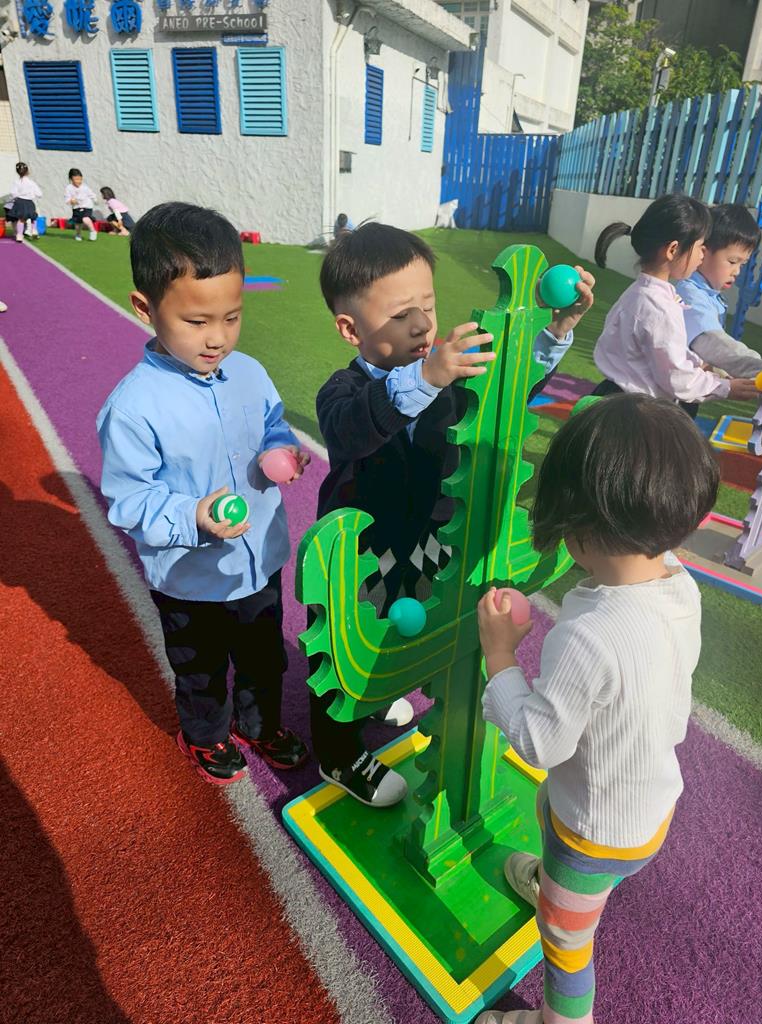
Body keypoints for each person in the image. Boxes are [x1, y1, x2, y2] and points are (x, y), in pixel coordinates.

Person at [312, 223, 594, 808]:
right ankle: (337, 751)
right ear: (350, 329)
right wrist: (425, 378)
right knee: (345, 644)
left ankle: (378, 690)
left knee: (410, 622)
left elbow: (505, 390)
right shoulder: (342, 392)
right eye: (401, 314)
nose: (422, 324)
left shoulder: (444, 371)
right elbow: (351, 431)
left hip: (427, 536)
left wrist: (557, 330)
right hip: (362, 551)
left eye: (429, 305)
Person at [475, 393, 720, 1024]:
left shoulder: (589, 634)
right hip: (649, 807)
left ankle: (561, 1019)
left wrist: (500, 656)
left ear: (576, 521)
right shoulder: (678, 581)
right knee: (551, 809)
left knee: (564, 942)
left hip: (593, 836)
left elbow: (540, 743)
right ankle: (551, 883)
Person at [97, 202, 310, 784]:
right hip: (190, 579)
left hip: (257, 561)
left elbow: (272, 424)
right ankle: (206, 735)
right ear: (145, 308)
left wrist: (282, 451)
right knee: (200, 668)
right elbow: (130, 500)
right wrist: (193, 514)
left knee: (264, 656)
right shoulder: (133, 407)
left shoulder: (251, 372)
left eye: (231, 317)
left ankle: (259, 724)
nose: (217, 338)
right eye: (196, 322)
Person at [592, 193, 757, 412]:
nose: (702, 254)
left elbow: (668, 356)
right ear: (672, 250)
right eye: (700, 246)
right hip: (635, 412)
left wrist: (704, 368)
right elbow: (677, 378)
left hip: (615, 400)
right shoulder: (659, 308)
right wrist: (725, 387)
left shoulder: (640, 293)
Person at [676, 203, 762, 379]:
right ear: (703, 252)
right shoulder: (690, 294)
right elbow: (714, 344)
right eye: (732, 261)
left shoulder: (709, 294)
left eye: (743, 264)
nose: (737, 271)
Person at [9, 162, 42, 243]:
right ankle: (34, 231)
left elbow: (13, 193)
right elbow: (39, 194)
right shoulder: (31, 182)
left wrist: (18, 196)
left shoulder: (16, 182)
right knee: (33, 217)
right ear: (27, 171)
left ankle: (19, 236)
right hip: (29, 202)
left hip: (19, 202)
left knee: (21, 219)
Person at [65, 168, 98, 242]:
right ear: (71, 179)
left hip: (87, 206)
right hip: (76, 208)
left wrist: (95, 200)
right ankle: (78, 234)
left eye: (80, 179)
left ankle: (93, 231)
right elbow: (67, 199)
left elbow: (92, 194)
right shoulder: (68, 188)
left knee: (85, 219)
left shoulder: (85, 187)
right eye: (76, 179)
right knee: (78, 223)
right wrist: (71, 201)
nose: (78, 181)